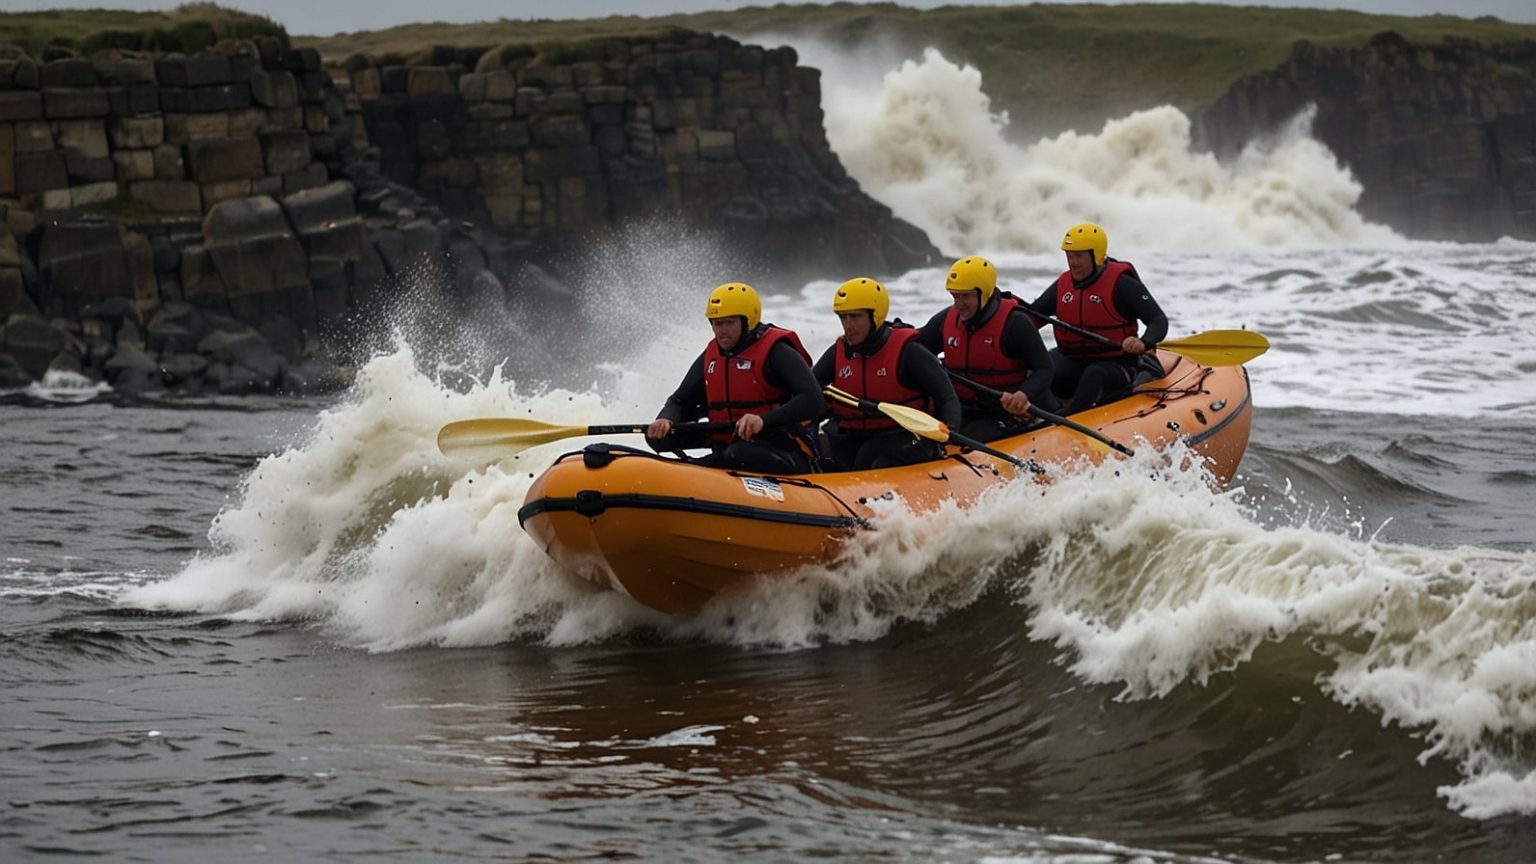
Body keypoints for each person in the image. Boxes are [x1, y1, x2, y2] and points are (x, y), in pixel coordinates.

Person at [646, 282, 824, 474]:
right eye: (717, 323)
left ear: (748, 321)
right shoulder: (712, 355)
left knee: (739, 452)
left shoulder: (777, 352)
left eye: (729, 322)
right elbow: (679, 400)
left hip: (779, 448)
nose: (722, 331)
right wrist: (665, 419)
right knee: (656, 437)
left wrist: (763, 420)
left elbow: (814, 401)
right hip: (727, 447)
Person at [812, 277, 961, 470]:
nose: (847, 325)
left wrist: (948, 436)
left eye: (855, 317)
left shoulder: (909, 353)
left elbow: (947, 397)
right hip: (854, 435)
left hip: (904, 435)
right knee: (817, 453)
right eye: (843, 317)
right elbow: (808, 392)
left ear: (875, 316)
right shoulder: (838, 353)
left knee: (870, 455)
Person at [1028, 223, 1168, 415]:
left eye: (1079, 256)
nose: (1073, 262)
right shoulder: (1063, 285)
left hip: (1117, 363)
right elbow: (1032, 317)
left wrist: (1143, 342)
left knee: (1094, 375)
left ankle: (1066, 419)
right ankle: (1041, 417)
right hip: (1072, 359)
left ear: (1096, 255)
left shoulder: (1123, 284)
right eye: (1069, 256)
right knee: (1040, 369)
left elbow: (1158, 320)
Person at [918, 255, 1059, 442]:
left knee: (973, 433)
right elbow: (917, 350)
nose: (959, 303)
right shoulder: (947, 320)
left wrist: (1023, 394)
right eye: (955, 295)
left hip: (1003, 412)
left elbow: (1044, 368)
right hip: (963, 407)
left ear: (983, 293)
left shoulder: (1015, 323)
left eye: (966, 296)